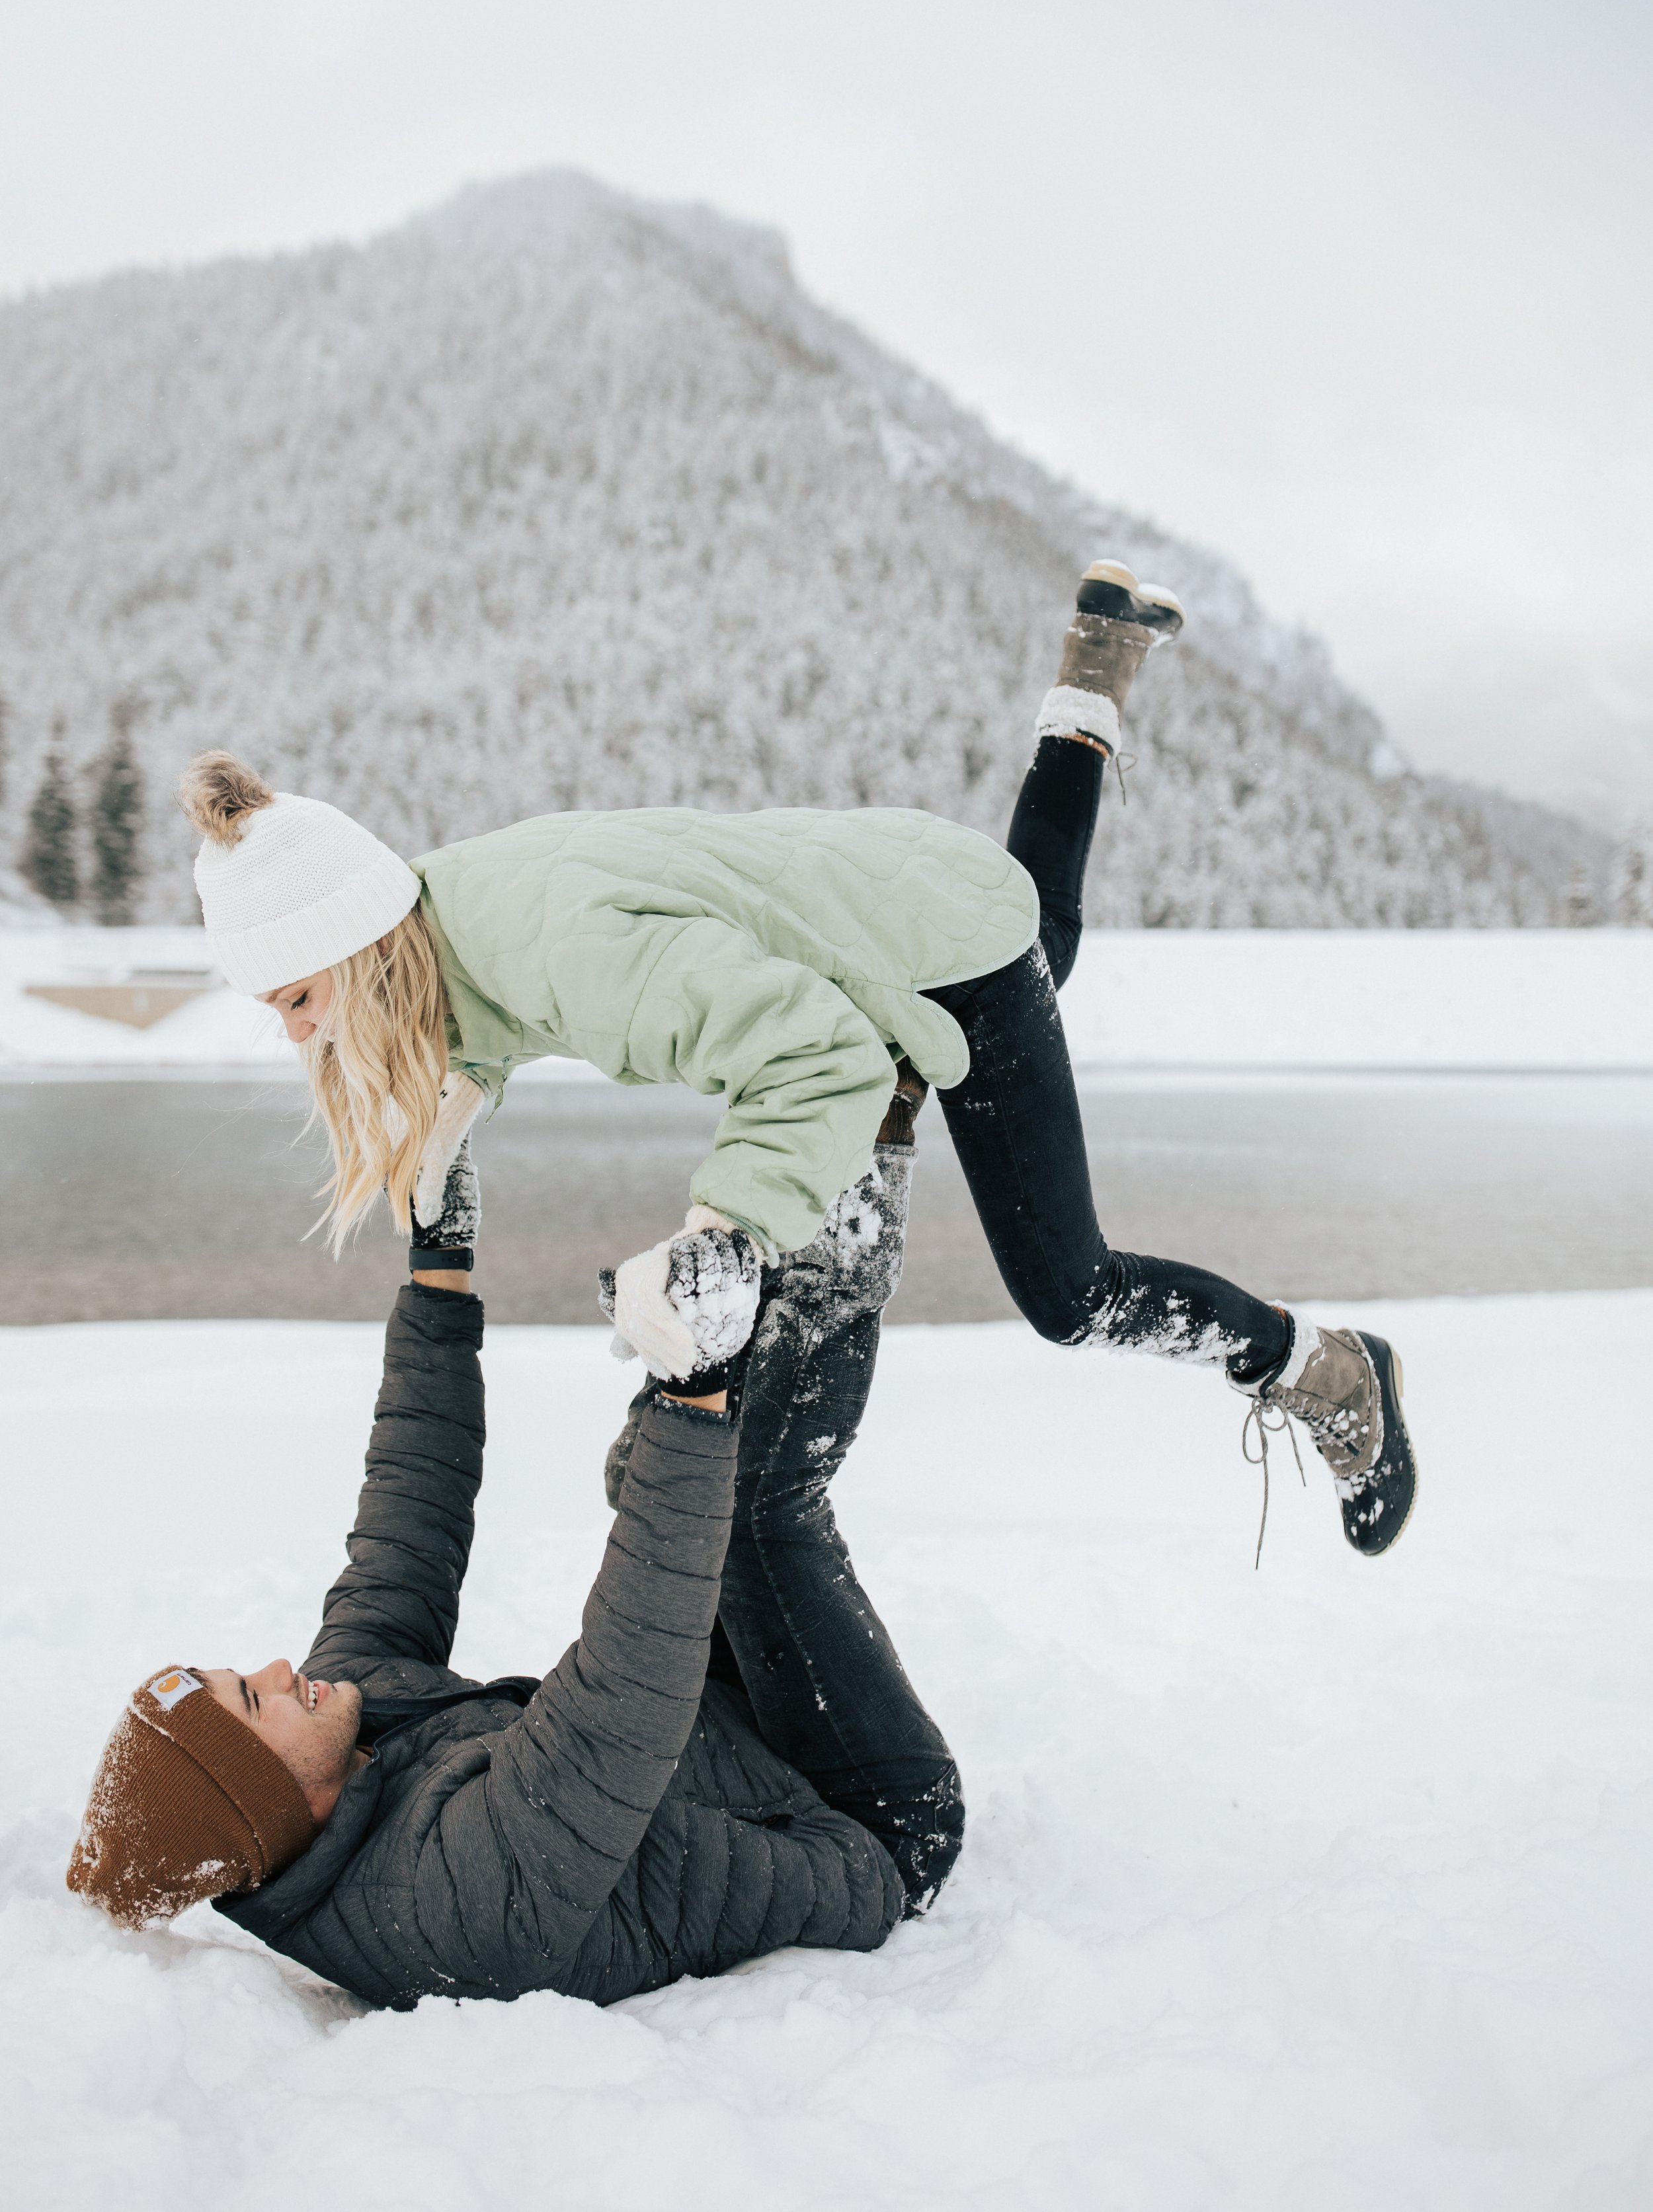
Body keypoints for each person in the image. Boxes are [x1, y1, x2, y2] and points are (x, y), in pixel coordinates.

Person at [178, 561, 1416, 1556]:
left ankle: (1326, 1371)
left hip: (932, 968)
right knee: (1048, 925)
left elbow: (815, 1061)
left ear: (360, 941)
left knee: (1071, 1291)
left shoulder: (565, 956)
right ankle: (1093, 675)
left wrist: (724, 1232)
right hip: (881, 896)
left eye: (297, 996)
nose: (297, 1030)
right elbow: (484, 1004)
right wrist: (460, 1095)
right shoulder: (443, 902)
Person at [67, 1101, 962, 1996]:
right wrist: (694, 1389)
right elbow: (622, 1695)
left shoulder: (345, 1735)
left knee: (658, 1470)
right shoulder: (445, 1904)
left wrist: (438, 1265)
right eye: (255, 1704)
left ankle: (820, 1129)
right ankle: (868, 1141)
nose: (271, 1667)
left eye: (237, 1679)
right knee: (753, 1502)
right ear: (270, 1802)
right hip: (854, 1821)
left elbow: (405, 1521)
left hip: (735, 1733)